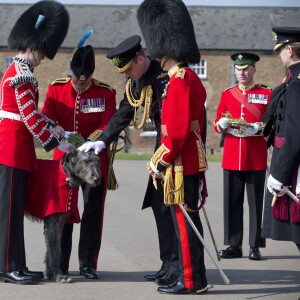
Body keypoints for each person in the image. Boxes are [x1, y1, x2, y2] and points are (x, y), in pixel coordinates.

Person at [78, 35, 180, 285]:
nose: (127, 75)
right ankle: (167, 263)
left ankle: (178, 265)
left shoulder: (165, 77)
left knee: (171, 208)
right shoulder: (136, 81)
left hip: (174, 147)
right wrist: (103, 140)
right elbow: (125, 111)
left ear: (141, 58)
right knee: (159, 206)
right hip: (161, 145)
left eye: (129, 69)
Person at [138, 0, 211, 295]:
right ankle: (188, 274)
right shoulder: (181, 78)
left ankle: (192, 280)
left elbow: (177, 132)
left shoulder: (180, 81)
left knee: (184, 222)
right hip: (186, 161)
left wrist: (159, 161)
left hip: (180, 163)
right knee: (184, 220)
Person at [0, 0, 70, 284]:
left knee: (15, 210)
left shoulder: (21, 72)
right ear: (33, 46)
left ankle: (16, 262)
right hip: (11, 149)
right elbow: (29, 118)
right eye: (42, 52)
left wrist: (56, 127)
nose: (42, 58)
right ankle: (7, 266)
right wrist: (60, 142)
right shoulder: (21, 74)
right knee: (9, 211)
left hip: (18, 148)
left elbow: (31, 114)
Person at [41, 31, 117, 279]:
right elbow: (47, 117)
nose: (80, 85)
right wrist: (57, 129)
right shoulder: (56, 89)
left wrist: (90, 142)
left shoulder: (105, 93)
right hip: (63, 164)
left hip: (94, 161)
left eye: (85, 82)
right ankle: (60, 265)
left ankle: (88, 264)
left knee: (93, 213)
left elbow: (108, 125)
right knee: (64, 214)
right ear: (70, 73)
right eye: (76, 80)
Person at [214, 53, 272, 260]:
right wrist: (220, 124)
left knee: (256, 204)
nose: (242, 73)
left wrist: (259, 129)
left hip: (255, 156)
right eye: (239, 69)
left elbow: (272, 124)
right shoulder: (227, 93)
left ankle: (255, 246)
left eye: (246, 69)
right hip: (232, 155)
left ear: (254, 70)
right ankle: (234, 245)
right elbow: (218, 120)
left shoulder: (266, 93)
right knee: (232, 202)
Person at [262, 27, 300, 252]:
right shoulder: (292, 79)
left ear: (289, 50)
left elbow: (295, 133)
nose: (279, 55)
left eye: (280, 50)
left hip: (292, 164)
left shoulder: (296, 83)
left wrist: (280, 174)